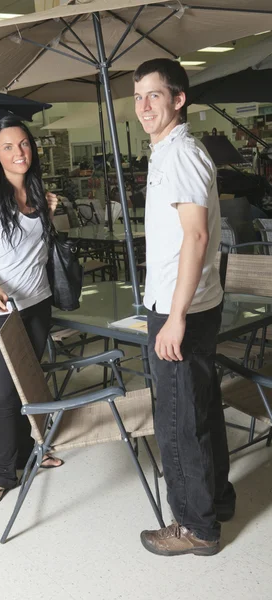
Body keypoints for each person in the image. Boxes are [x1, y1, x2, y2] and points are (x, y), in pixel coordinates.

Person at [133, 59, 235, 556]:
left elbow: (195, 236)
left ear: (179, 99)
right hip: (188, 302)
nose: (144, 106)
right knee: (201, 406)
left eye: (154, 95)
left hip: (183, 309)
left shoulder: (180, 154)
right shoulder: (167, 152)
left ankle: (197, 527)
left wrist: (172, 317)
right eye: (138, 97)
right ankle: (217, 499)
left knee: (177, 419)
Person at [0, 116, 63, 507]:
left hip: (39, 302)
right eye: (8, 146)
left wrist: (51, 214)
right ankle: (2, 474)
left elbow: (37, 250)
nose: (18, 152)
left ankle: (29, 453)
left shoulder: (40, 194)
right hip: (4, 310)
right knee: (5, 394)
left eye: (23, 144)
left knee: (29, 382)